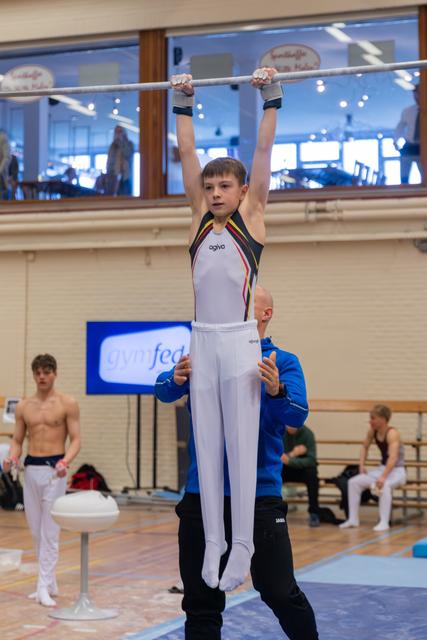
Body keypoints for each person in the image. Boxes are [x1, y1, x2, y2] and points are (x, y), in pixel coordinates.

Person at [170, 67, 282, 592]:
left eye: (224, 186)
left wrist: (270, 97)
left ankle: (243, 545)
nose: (214, 192)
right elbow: (187, 155)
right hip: (201, 337)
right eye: (209, 186)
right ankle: (214, 542)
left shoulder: (252, 218)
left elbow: (262, 156)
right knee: (207, 448)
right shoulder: (197, 220)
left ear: (241, 192)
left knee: (239, 447)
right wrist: (184, 100)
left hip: (239, 340)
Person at [155, 284, 319, 640]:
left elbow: (297, 416)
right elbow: (163, 390)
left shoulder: (281, 361)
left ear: (265, 313)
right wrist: (175, 378)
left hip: (259, 495)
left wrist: (276, 391)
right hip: (203, 494)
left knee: (279, 591)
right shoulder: (203, 356)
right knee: (200, 602)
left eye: (246, 303)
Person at [3, 354, 81, 606]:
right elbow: (17, 440)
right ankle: (49, 581)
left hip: (54, 471)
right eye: (38, 372)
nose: (42, 376)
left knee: (50, 532)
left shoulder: (67, 403)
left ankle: (42, 587)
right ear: (33, 374)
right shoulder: (25, 406)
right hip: (31, 470)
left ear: (54, 373)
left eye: (47, 372)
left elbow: (76, 439)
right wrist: (12, 458)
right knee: (36, 532)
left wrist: (65, 461)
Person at [339, 404, 406, 532]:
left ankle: (384, 522)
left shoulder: (392, 434)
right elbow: (364, 447)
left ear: (383, 419)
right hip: (383, 468)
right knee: (353, 482)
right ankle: (353, 519)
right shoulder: (372, 431)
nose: (370, 421)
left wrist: (383, 477)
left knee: (384, 485)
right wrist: (361, 465)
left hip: (397, 471)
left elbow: (393, 458)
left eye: (373, 418)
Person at [281, 425, 320, 527]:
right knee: (274, 472)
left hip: (301, 470)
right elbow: (279, 458)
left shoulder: (308, 434)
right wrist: (293, 454)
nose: (289, 426)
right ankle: (275, 512)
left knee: (312, 475)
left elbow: (311, 460)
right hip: (285, 470)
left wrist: (289, 460)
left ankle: (314, 513)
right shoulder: (280, 432)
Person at [394, 85, 422, 184]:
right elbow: (400, 127)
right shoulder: (408, 111)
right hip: (409, 146)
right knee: (404, 176)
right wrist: (395, 141)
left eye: (419, 93)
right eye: (415, 94)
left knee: (424, 177)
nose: (417, 96)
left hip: (423, 148)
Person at [106, 125, 134, 195]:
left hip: (125, 178)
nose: (118, 133)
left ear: (124, 133)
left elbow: (128, 154)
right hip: (113, 178)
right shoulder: (112, 146)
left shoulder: (129, 144)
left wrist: (121, 142)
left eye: (120, 131)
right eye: (116, 132)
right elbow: (109, 161)